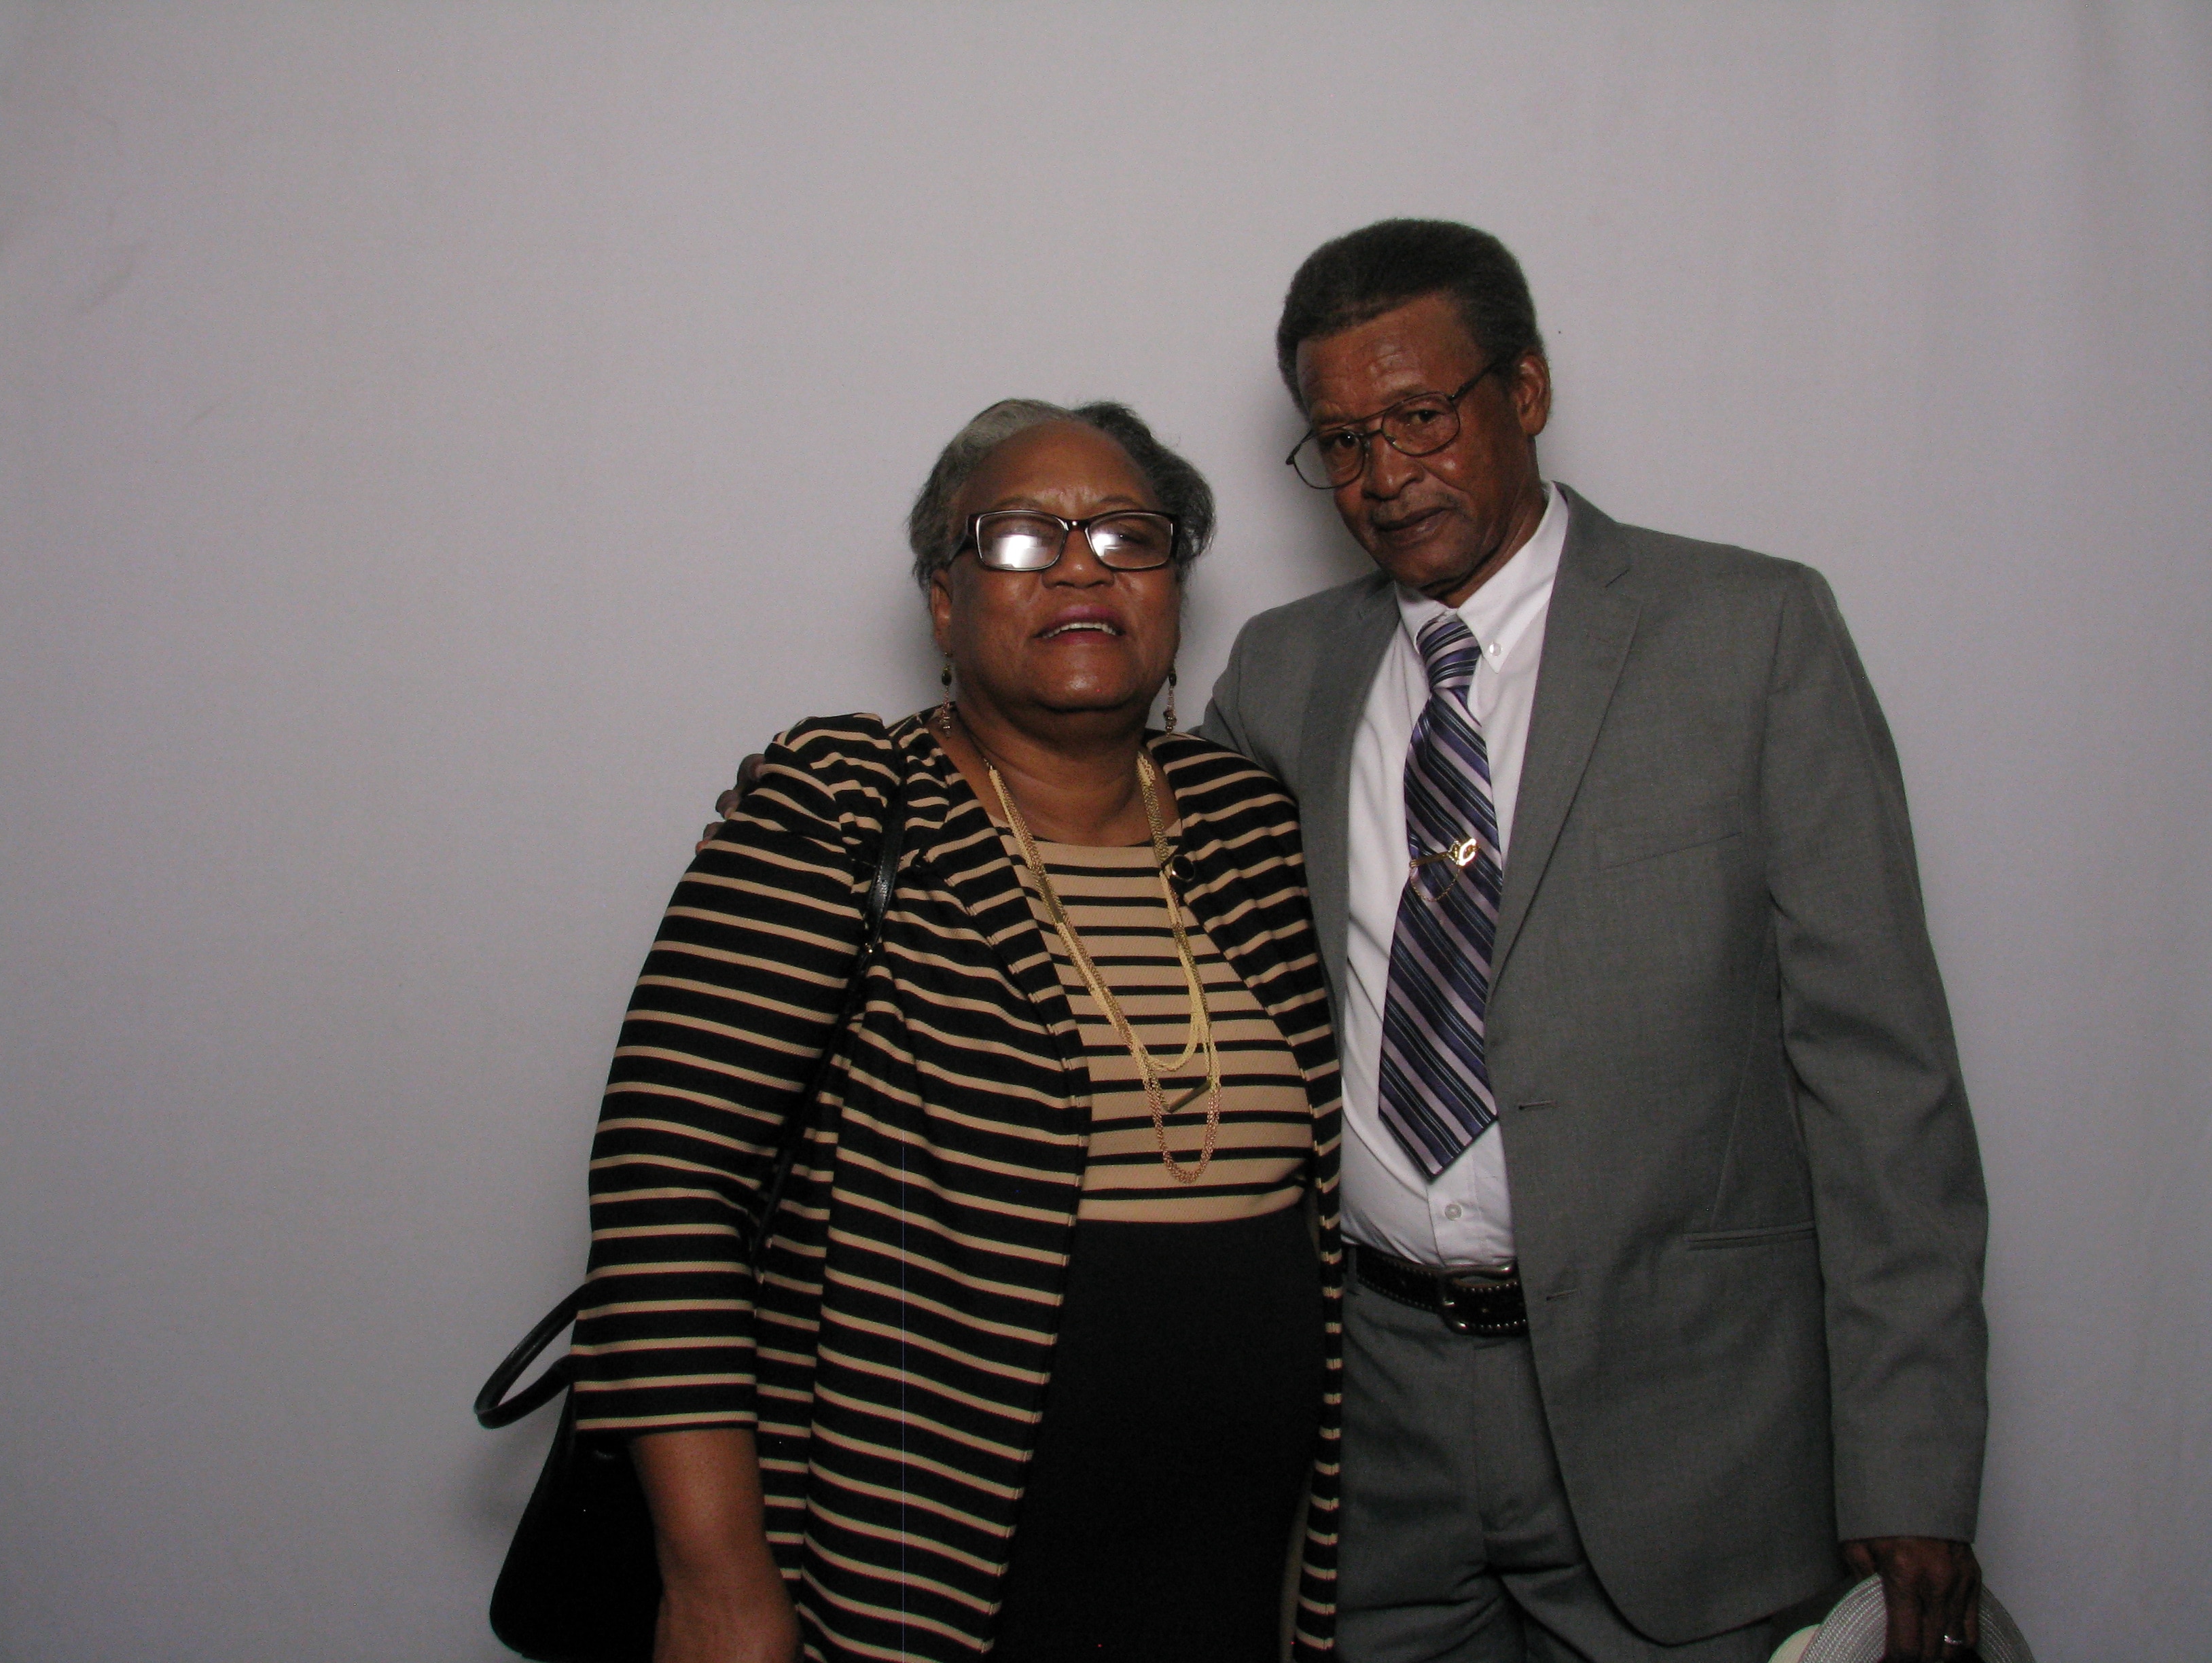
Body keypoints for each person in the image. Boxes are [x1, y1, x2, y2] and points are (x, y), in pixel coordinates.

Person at [1201, 219, 1989, 1663]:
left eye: (1420, 418)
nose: (1383, 478)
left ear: (1528, 390)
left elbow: (1885, 1085)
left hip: (1690, 1438)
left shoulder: (1750, 635)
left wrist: (1913, 1461)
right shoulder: (1280, 673)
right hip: (1375, 1437)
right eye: (1341, 441)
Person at [569, 398, 1345, 1663]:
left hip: (1233, 1561)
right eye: (1025, 539)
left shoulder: (1248, 821)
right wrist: (715, 1578)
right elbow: (668, 1186)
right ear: (943, 600)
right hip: (927, 1557)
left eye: (1129, 535)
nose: (1085, 565)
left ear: (1177, 589)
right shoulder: (847, 805)